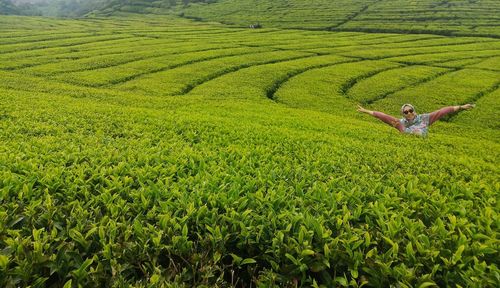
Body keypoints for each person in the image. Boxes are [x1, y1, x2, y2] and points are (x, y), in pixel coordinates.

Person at [357, 103, 475, 136]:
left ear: (414, 110)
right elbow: (383, 116)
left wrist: (461, 107)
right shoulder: (400, 124)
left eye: (410, 110)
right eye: (406, 112)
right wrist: (366, 111)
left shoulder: (425, 118)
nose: (409, 113)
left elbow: (442, 111)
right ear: (403, 114)